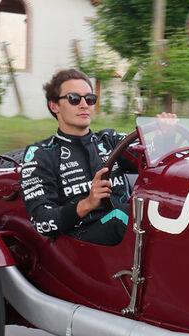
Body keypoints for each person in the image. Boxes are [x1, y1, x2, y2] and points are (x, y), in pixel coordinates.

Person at [20, 68, 172, 245]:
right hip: (81, 239)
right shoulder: (41, 155)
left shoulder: (110, 140)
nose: (84, 104)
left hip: (125, 229)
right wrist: (87, 204)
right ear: (54, 106)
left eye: (90, 99)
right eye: (74, 99)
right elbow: (41, 221)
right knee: (127, 218)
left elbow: (150, 162)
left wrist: (165, 136)